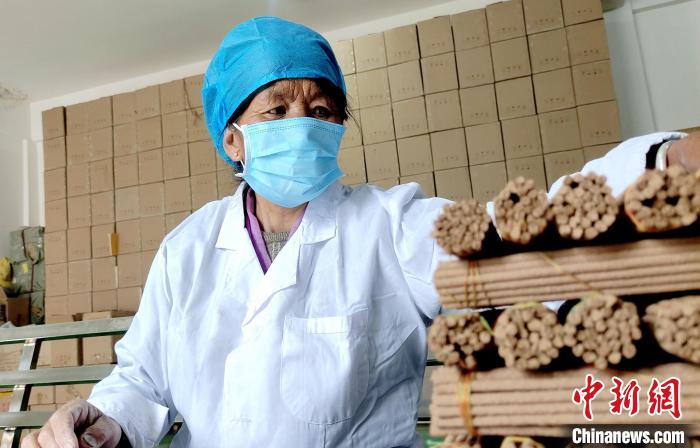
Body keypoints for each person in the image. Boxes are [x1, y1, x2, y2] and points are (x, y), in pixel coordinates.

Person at [24, 16, 699, 448]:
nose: (304, 123)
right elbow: (144, 379)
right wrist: (106, 422)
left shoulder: (386, 224)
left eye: (321, 109)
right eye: (277, 110)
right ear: (233, 140)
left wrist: (655, 169)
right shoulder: (188, 249)